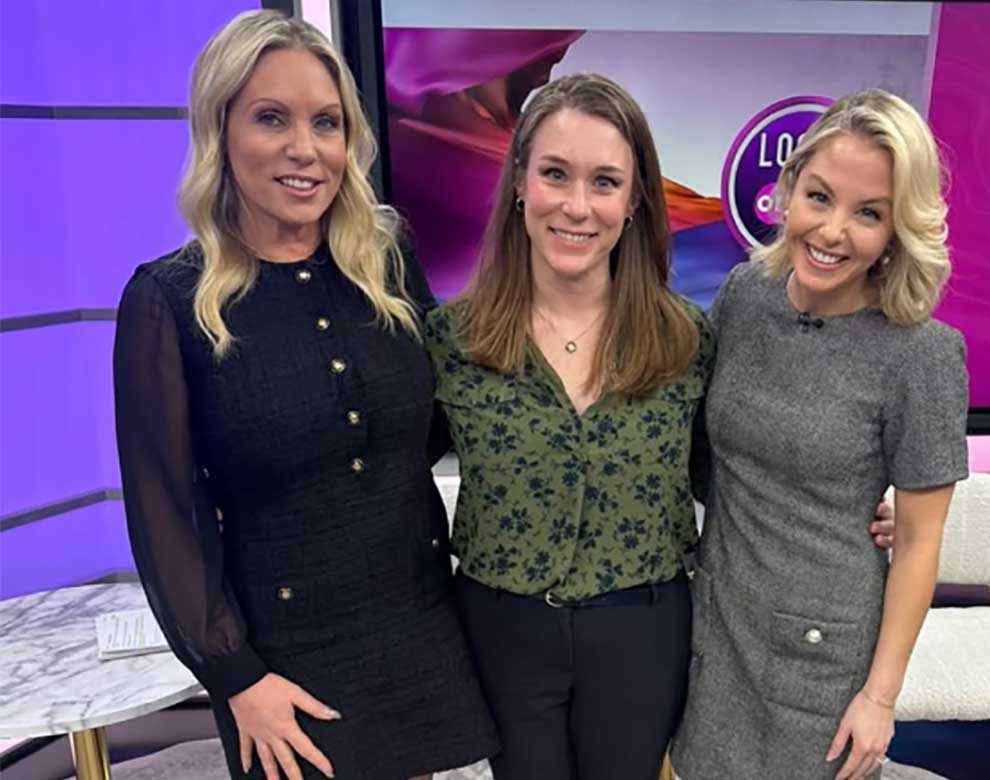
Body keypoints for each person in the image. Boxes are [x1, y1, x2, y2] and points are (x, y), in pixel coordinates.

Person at [424, 74, 896, 780]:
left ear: (636, 197)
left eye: (606, 181)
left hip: (642, 631)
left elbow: (726, 469)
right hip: (502, 630)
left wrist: (835, 506)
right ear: (520, 181)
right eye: (556, 174)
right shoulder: (451, 340)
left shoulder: (684, 340)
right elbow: (384, 481)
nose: (577, 206)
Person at [113, 11, 497, 780]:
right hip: (282, 665)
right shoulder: (170, 300)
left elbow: (421, 431)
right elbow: (169, 520)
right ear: (219, 130)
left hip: (416, 626)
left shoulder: (385, 258)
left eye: (326, 123)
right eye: (270, 118)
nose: (304, 149)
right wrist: (236, 679)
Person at [671, 88, 969, 780]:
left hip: (821, 647)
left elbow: (921, 544)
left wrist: (880, 697)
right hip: (718, 618)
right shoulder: (745, 296)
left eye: (868, 214)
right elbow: (706, 449)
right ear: (786, 191)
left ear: (899, 231)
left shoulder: (921, 354)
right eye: (819, 197)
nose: (833, 231)